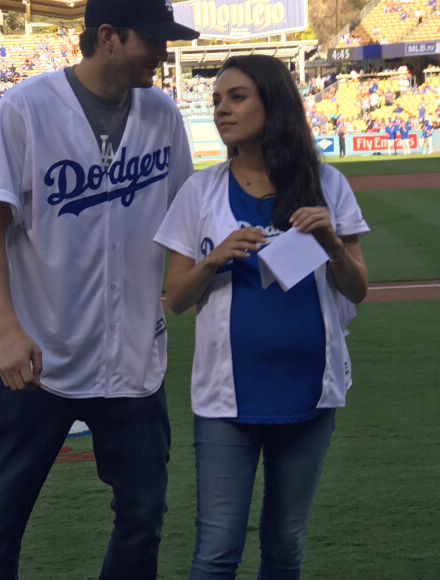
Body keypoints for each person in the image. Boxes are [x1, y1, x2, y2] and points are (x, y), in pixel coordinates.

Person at [0, 0, 199, 578]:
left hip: (132, 360)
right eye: (154, 39)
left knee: (143, 515)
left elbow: (186, 219)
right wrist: (9, 330)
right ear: (109, 37)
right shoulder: (25, 109)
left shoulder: (162, 114)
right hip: (36, 355)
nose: (165, 52)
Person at [154, 55, 370, 580]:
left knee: (284, 547)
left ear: (273, 104)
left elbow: (357, 289)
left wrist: (330, 245)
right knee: (216, 551)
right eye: (217, 101)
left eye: (237, 97)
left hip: (310, 393)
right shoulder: (200, 192)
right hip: (226, 401)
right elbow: (175, 298)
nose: (222, 109)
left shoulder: (328, 185)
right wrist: (212, 257)